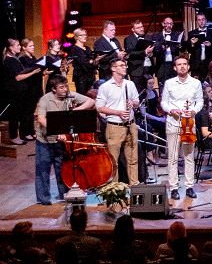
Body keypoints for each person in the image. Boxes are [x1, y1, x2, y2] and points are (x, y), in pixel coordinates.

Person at [33, 74, 94, 205]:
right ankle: (43, 199)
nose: (65, 89)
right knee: (43, 169)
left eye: (66, 86)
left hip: (61, 141)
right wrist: (56, 130)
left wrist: (76, 110)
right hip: (45, 141)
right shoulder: (45, 99)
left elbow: (90, 101)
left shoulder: (69, 95)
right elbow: (41, 119)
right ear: (53, 89)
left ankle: (63, 195)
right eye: (61, 87)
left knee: (61, 168)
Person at [160, 55, 204, 200]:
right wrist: (171, 110)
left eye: (185, 64)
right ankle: (174, 188)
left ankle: (189, 186)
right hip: (173, 123)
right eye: (179, 64)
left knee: (189, 157)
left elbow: (200, 101)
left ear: (188, 66)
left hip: (189, 123)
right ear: (175, 67)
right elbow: (164, 102)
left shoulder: (196, 83)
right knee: (172, 157)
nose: (182, 66)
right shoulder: (169, 83)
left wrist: (194, 111)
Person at [94, 59, 141, 185]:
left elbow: (137, 102)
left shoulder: (130, 84)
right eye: (121, 65)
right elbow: (100, 107)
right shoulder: (105, 87)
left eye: (125, 65)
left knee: (133, 159)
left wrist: (133, 103)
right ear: (113, 68)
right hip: (115, 127)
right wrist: (117, 112)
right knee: (113, 161)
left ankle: (134, 186)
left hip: (130, 125)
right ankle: (115, 189)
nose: (125, 67)